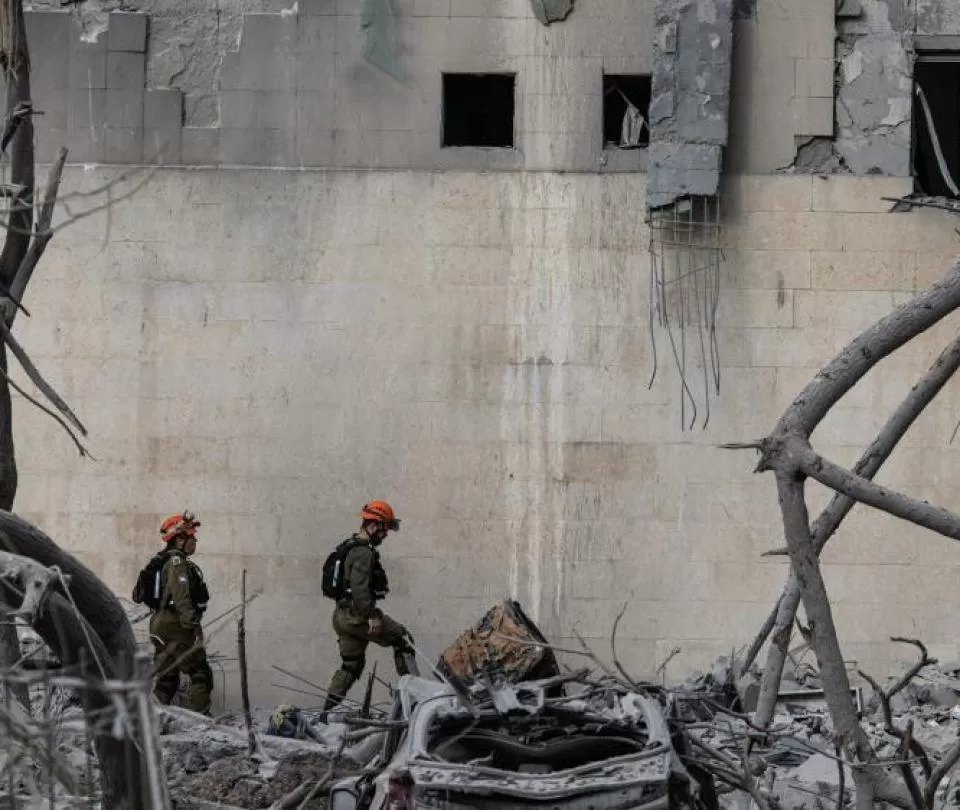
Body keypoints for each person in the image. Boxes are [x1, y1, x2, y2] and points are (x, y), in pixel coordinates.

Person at [321, 500, 417, 719]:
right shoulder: (363, 552)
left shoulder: (349, 545)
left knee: (351, 665)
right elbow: (359, 589)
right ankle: (415, 701)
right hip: (358, 616)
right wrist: (372, 616)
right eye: (384, 529)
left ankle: (326, 714)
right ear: (373, 526)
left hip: (341, 616)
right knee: (404, 639)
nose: (385, 535)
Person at [145, 511, 213, 715]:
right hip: (175, 624)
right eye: (191, 537)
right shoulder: (177, 563)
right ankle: (200, 722)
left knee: (167, 678)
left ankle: (153, 718)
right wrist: (194, 627)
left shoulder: (162, 560)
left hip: (159, 624)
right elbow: (182, 599)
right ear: (179, 539)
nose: (195, 541)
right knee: (200, 673)